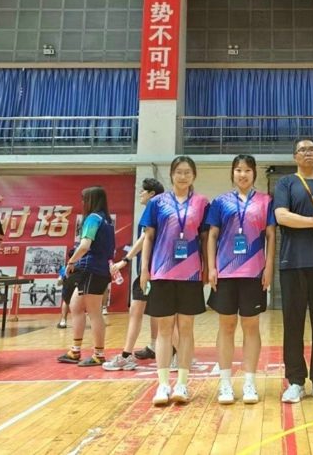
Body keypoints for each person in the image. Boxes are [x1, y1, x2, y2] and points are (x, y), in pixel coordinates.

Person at [138, 157, 209, 406]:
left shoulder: (202, 203)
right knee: (165, 330)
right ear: (171, 175)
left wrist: (207, 267)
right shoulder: (157, 202)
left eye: (187, 172)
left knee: (186, 329)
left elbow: (205, 239)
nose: (183, 176)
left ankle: (182, 384)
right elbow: (148, 237)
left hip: (191, 274)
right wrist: (144, 269)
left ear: (194, 175)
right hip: (162, 272)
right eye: (178, 172)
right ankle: (163, 385)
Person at [207, 155, 276, 405]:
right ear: (232, 173)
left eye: (247, 170)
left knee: (251, 327)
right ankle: (225, 383)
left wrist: (269, 267)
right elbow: (212, 235)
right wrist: (212, 267)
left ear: (254, 173)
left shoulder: (265, 201)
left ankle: (250, 382)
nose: (243, 174)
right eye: (238, 170)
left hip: (254, 273)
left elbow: (271, 236)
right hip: (225, 273)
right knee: (226, 327)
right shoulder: (220, 202)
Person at [273, 138, 313, 404]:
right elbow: (282, 216)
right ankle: (296, 381)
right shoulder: (285, 183)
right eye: (302, 150)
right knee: (293, 324)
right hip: (293, 263)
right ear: (295, 157)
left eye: (312, 150)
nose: (308, 153)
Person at [103, 177, 166, 371]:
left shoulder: (154, 209)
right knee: (155, 312)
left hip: (152, 270)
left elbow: (144, 238)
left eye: (143, 191)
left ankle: (126, 355)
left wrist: (125, 260)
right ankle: (156, 347)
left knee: (139, 312)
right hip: (154, 269)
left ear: (152, 194)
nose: (140, 194)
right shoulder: (158, 210)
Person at [57, 186, 116, 367]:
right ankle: (75, 351)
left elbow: (84, 246)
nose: (82, 202)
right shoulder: (106, 221)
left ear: (91, 200)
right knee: (75, 306)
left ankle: (99, 354)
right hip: (99, 270)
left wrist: (71, 262)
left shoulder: (93, 219)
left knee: (94, 312)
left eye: (84, 199)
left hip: (92, 269)